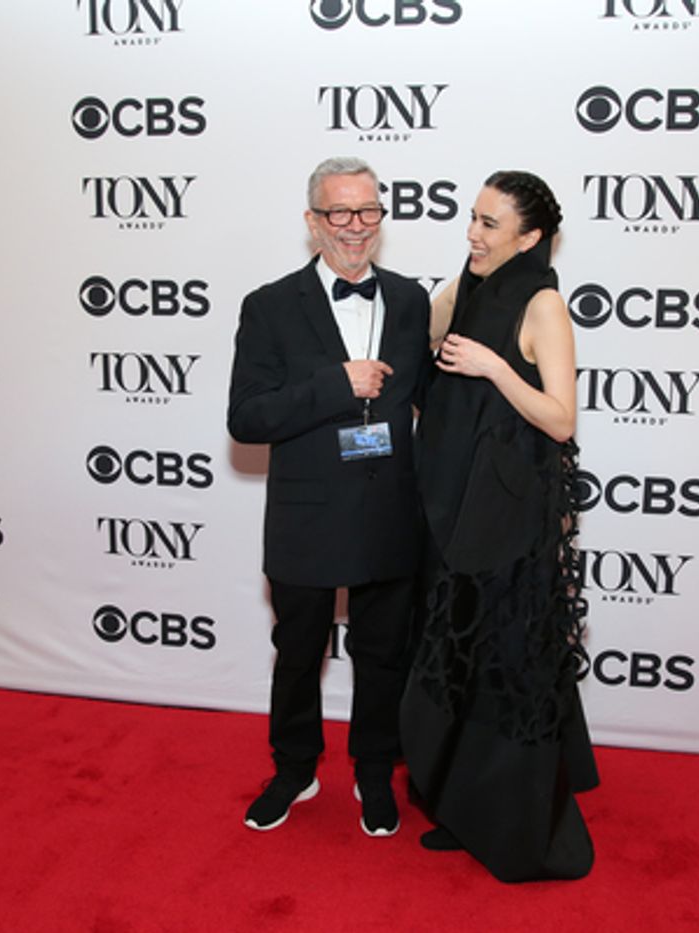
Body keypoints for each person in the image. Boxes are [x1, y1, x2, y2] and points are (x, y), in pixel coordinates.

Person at [400, 170, 599, 881]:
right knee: (462, 661)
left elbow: (561, 417)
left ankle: (513, 822)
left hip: (508, 517)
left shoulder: (544, 303)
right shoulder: (467, 288)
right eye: (472, 218)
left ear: (531, 235)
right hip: (452, 504)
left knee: (502, 663)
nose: (473, 234)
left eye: (489, 224)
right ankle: (460, 803)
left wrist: (493, 367)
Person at [228, 156, 431, 837]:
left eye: (368, 210)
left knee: (383, 655)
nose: (355, 226)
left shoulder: (409, 299)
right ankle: (294, 768)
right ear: (313, 221)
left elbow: (431, 400)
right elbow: (247, 418)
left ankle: (375, 771)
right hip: (307, 517)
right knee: (298, 650)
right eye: (339, 212)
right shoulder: (269, 305)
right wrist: (336, 384)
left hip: (388, 512)